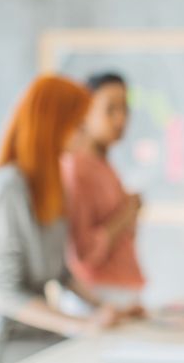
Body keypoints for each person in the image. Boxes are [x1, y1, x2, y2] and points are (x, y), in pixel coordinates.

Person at [0, 75, 129, 337]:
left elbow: (60, 271)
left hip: (40, 335)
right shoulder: (10, 185)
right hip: (9, 343)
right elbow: (4, 291)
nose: (85, 132)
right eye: (79, 124)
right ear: (54, 124)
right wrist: (78, 324)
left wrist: (106, 309)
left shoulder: (55, 185)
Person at [61, 72, 146, 312]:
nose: (121, 120)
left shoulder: (105, 165)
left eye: (125, 110)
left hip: (120, 290)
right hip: (96, 295)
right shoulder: (77, 169)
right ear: (84, 113)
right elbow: (82, 253)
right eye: (110, 110)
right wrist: (126, 215)